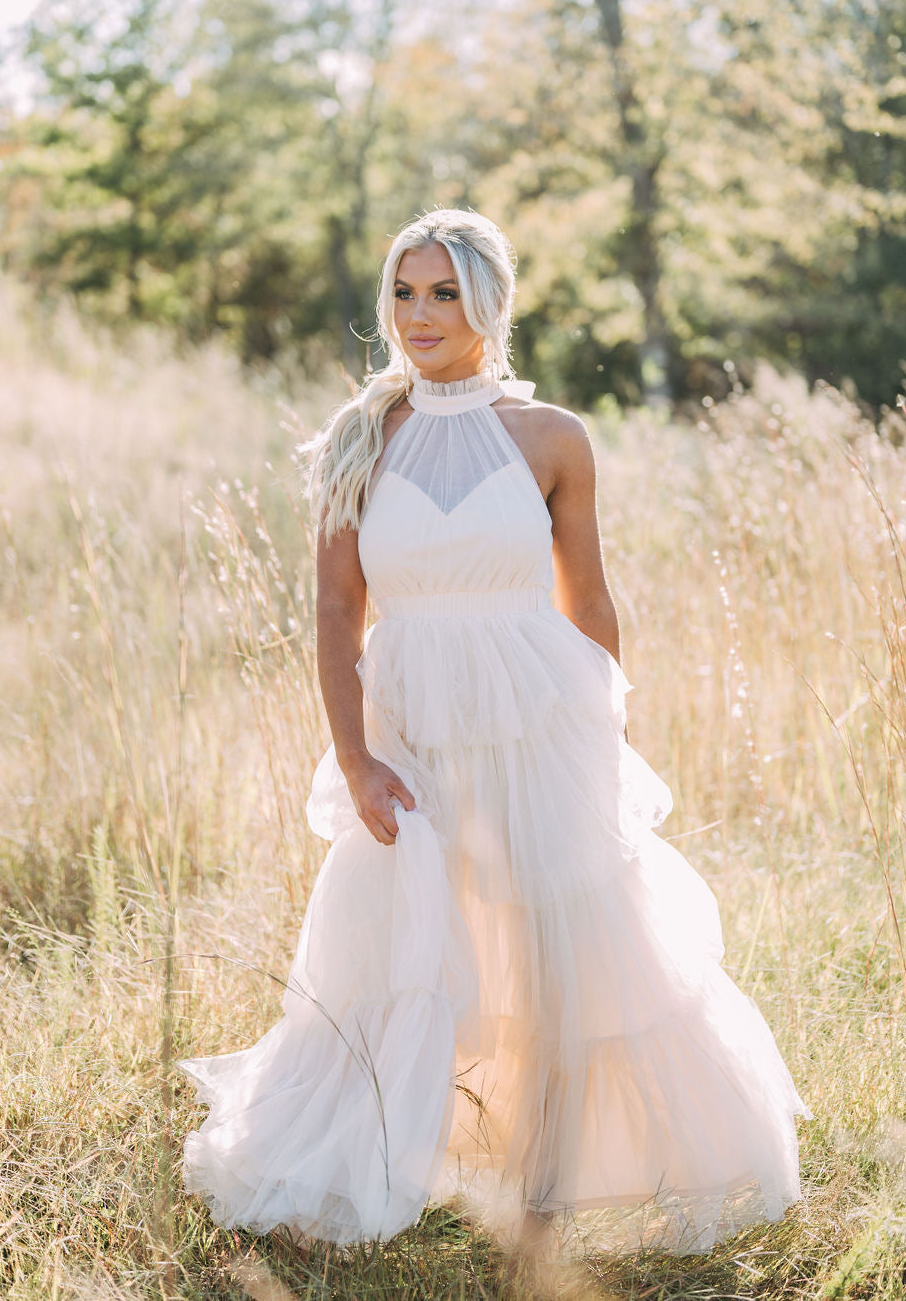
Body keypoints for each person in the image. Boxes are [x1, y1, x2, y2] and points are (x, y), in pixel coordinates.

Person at [179, 208, 809, 1254]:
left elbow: (589, 601)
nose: (419, 314)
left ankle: (548, 1182)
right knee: (409, 948)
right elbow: (337, 613)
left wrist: (609, 733)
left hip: (541, 719)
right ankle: (403, 1149)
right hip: (411, 727)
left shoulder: (553, 437)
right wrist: (355, 756)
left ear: (491, 303)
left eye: (443, 293)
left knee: (560, 947)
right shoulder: (359, 438)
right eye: (402, 291)